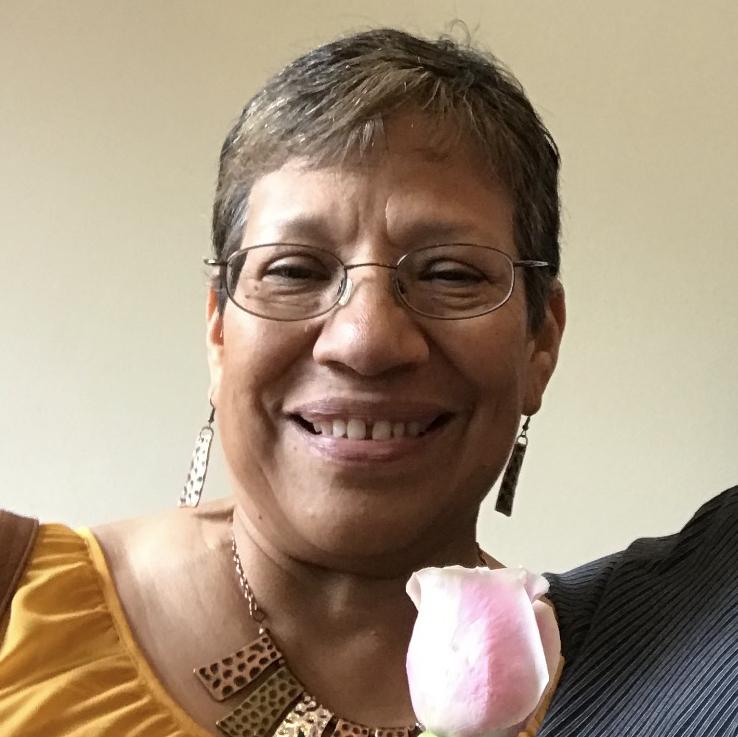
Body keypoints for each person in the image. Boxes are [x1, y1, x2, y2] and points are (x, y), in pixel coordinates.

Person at [1, 26, 736, 737]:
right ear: (219, 330)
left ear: (540, 341)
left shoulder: (642, 685)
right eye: (294, 270)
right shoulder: (18, 605)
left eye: (450, 273)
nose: (367, 341)